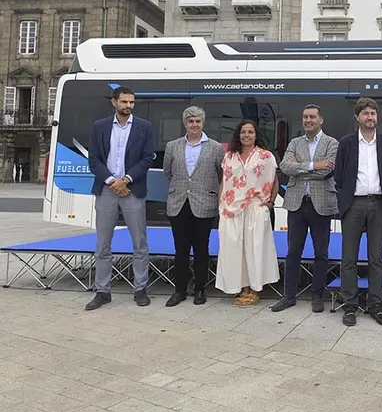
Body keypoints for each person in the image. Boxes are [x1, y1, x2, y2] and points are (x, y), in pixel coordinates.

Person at [85, 86, 155, 311]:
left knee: (140, 243)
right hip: (106, 190)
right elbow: (94, 159)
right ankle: (102, 291)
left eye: (132, 102)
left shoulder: (145, 127)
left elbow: (147, 159)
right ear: (114, 102)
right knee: (103, 244)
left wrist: (124, 180)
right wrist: (111, 182)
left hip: (132, 189)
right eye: (124, 102)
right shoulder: (99, 127)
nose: (128, 106)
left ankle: (140, 289)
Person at [334, 97, 382, 327]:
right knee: (349, 259)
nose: (370, 117)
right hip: (354, 205)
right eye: (365, 113)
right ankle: (350, 306)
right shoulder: (347, 143)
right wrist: (347, 201)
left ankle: (375, 306)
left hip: (379, 205)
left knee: (376, 259)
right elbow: (339, 176)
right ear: (357, 117)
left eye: (373, 113)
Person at [270, 104, 338, 314]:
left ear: (321, 120)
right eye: (305, 117)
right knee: (293, 252)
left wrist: (300, 166)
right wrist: (312, 165)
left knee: (321, 252)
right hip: (296, 204)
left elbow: (328, 170)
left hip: (321, 203)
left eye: (312, 117)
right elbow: (285, 166)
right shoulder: (294, 142)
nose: (308, 120)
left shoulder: (332, 143)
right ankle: (289, 296)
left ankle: (317, 295)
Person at [162, 106, 225, 307]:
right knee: (180, 249)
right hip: (179, 203)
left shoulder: (216, 148)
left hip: (204, 203)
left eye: (198, 121)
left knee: (201, 250)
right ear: (185, 124)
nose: (194, 125)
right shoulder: (172, 146)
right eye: (191, 121)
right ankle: (179, 290)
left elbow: (221, 174)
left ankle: (200, 289)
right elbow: (167, 172)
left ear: (203, 123)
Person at [216, 120, 280, 307]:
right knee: (235, 251)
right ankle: (242, 288)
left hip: (255, 208)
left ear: (256, 134)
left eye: (250, 132)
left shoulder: (265, 156)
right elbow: (224, 181)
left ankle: (254, 289)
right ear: (238, 134)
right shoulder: (229, 156)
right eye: (243, 132)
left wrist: (271, 203)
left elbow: (274, 180)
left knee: (255, 249)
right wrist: (220, 203)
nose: (246, 135)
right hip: (231, 210)